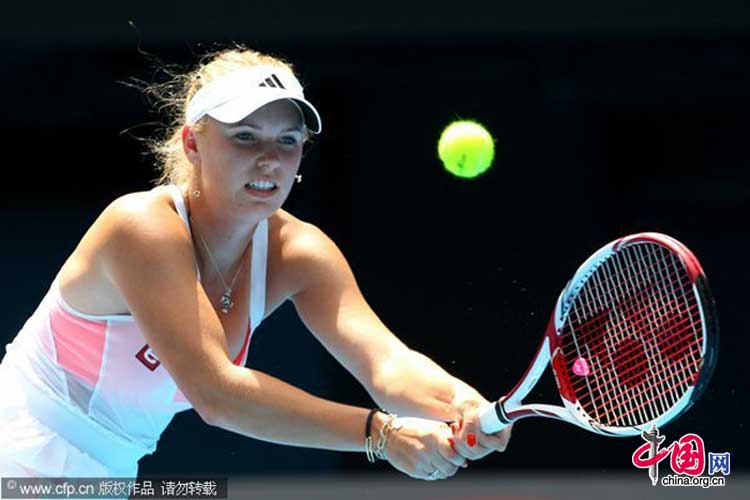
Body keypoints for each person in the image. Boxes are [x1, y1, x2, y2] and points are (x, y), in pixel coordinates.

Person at [0, 47, 511, 480]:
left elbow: (387, 365)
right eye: (245, 136)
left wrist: (459, 403)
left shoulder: (301, 253)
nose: (269, 158)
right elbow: (218, 395)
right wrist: (381, 434)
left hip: (107, 476)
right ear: (193, 143)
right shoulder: (140, 227)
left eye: (287, 140)